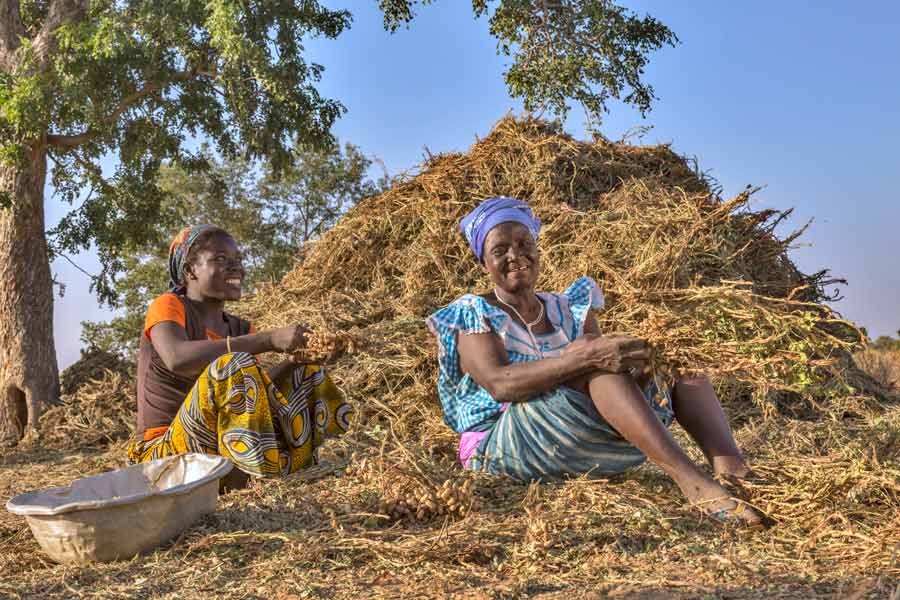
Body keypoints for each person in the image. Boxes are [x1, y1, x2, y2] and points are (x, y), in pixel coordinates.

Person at [426, 197, 762, 526]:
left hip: (575, 434)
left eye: (523, 242)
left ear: (537, 246)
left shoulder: (569, 307)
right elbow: (501, 384)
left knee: (675, 364)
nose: (515, 256)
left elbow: (605, 374)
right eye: (499, 251)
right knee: (590, 356)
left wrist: (643, 368)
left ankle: (733, 470)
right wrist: (583, 355)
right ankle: (694, 485)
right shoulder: (472, 314)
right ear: (483, 263)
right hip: (502, 446)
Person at [127, 225, 352, 487]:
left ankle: (314, 462)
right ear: (190, 271)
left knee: (306, 373)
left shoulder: (241, 329)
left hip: (217, 447)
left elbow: (248, 393)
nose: (236, 268)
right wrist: (267, 340)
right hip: (164, 457)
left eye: (238, 260)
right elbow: (177, 358)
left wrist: (293, 362)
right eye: (220, 259)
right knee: (233, 364)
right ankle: (251, 478)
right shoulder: (169, 306)